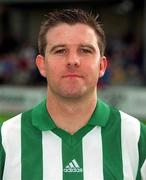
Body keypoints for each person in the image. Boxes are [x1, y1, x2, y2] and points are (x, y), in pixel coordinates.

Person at [0, 8, 146, 180]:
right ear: (41, 65)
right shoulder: (6, 140)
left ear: (102, 66)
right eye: (60, 50)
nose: (72, 61)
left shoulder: (138, 139)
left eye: (85, 50)